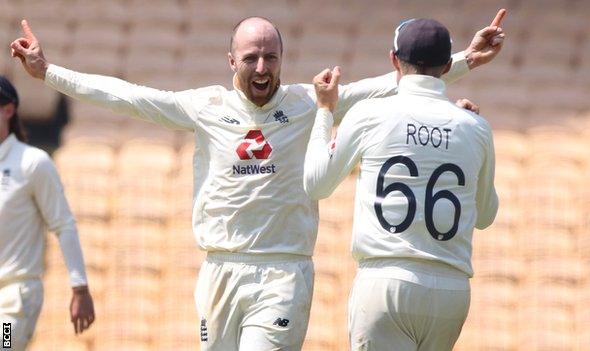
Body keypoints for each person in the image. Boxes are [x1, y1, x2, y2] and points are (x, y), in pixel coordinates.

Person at [9, 12, 504, 350]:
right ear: (232, 62)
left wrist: (465, 61)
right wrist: (49, 74)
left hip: (282, 273)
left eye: (271, 57)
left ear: (282, 60)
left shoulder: (307, 102)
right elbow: (126, 96)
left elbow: (394, 82)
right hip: (219, 272)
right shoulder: (205, 107)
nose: (262, 68)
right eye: (251, 58)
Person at [303, 17, 501, 351]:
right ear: (447, 64)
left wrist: (325, 111)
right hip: (451, 291)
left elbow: (315, 183)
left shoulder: (369, 114)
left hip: (386, 282)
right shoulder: (475, 127)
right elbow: (485, 216)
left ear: (394, 59)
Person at [0, 76, 95, 351]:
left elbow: (63, 225)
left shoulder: (32, 163)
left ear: (8, 109)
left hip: (13, 299)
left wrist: (80, 288)